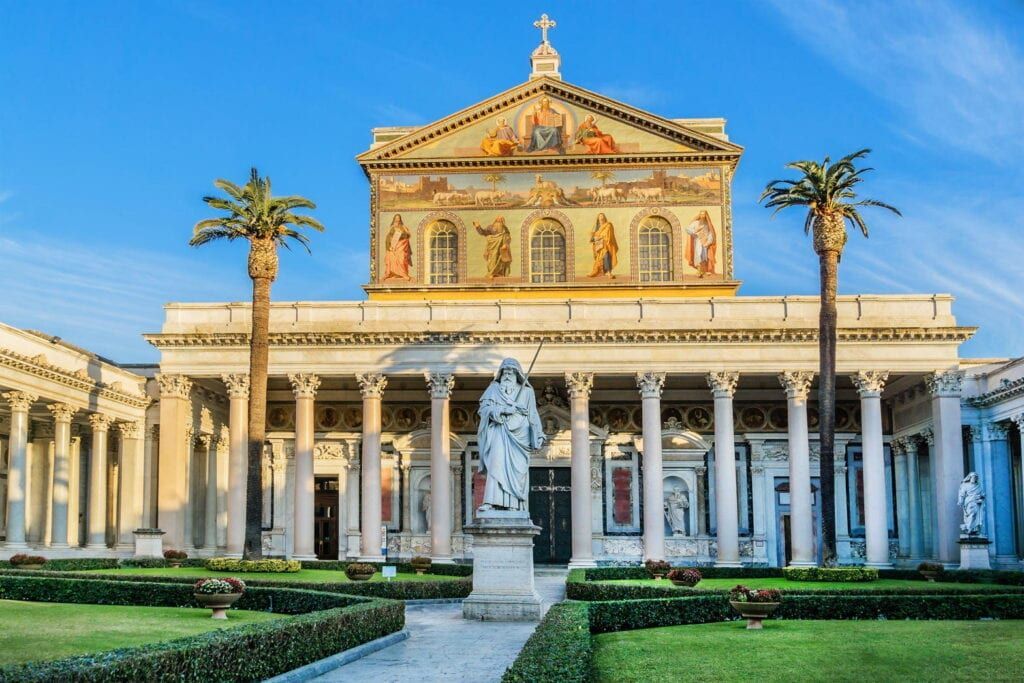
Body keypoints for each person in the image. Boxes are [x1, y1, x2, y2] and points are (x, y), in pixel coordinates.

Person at [476, 358, 545, 511]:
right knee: (496, 463)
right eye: (505, 372)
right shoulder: (493, 389)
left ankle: (514, 505)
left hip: (520, 435)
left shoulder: (526, 392)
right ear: (500, 374)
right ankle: (490, 502)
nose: (508, 375)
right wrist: (502, 410)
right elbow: (484, 410)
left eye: (511, 372)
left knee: (517, 471)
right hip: (499, 432)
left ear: (517, 374)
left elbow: (532, 414)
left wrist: (538, 434)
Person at [685, 210, 717, 277]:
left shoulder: (708, 224)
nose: (702, 216)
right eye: (701, 214)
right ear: (699, 215)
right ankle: (699, 271)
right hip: (698, 241)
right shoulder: (696, 223)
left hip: (705, 242)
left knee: (704, 256)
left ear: (706, 216)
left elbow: (711, 234)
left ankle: (703, 271)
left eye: (704, 215)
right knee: (698, 254)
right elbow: (688, 229)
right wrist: (695, 231)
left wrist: (708, 242)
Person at [588, 213, 618, 278]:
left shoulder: (608, 225)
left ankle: (608, 272)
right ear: (598, 219)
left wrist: (597, 236)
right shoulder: (598, 228)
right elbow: (595, 238)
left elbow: (607, 234)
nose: (601, 218)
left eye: (602, 216)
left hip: (607, 244)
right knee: (600, 259)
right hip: (600, 246)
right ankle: (604, 272)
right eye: (600, 217)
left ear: (604, 218)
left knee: (606, 256)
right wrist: (593, 236)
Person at [383, 214, 412, 281]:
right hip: (393, 245)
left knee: (402, 259)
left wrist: (402, 235)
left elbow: (408, 235)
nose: (397, 219)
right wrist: (389, 246)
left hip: (402, 245)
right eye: (396, 218)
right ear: (394, 219)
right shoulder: (392, 227)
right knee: (391, 257)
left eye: (398, 218)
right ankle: (392, 274)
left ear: (400, 219)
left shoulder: (403, 227)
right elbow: (389, 237)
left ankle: (403, 274)